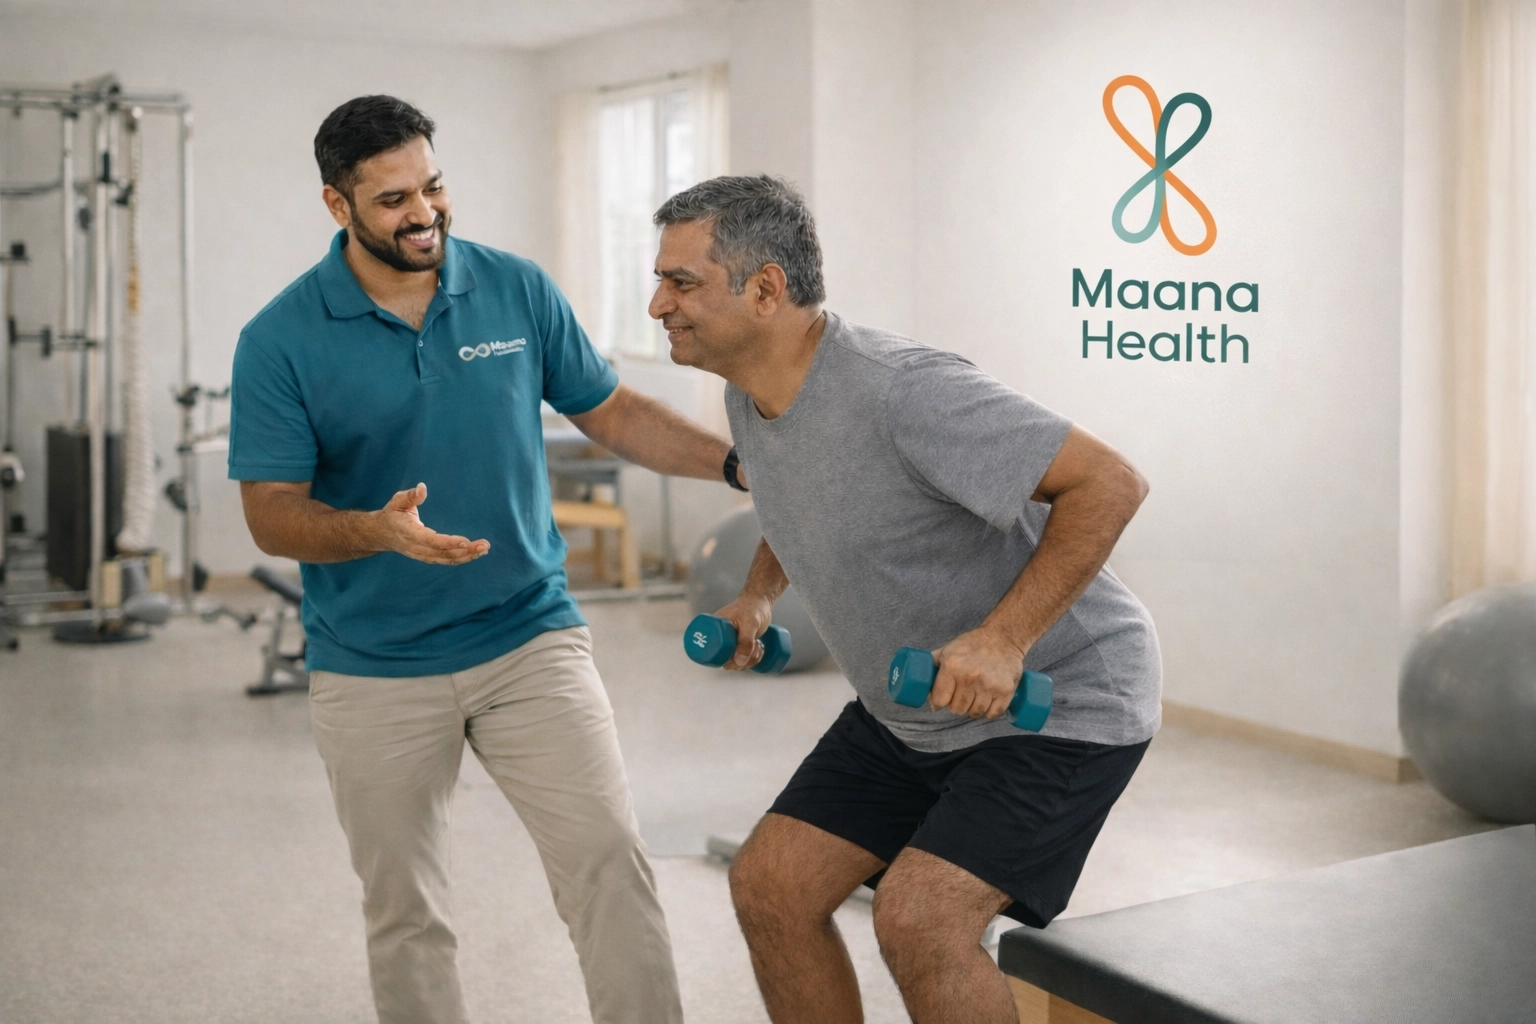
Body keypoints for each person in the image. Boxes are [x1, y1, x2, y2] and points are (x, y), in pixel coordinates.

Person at [229, 95, 739, 1024]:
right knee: (406, 915)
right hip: (373, 664)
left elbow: (612, 411)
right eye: (391, 201)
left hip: (528, 636)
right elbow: (271, 516)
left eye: (431, 185)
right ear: (337, 206)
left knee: (609, 867)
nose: (422, 212)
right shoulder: (279, 341)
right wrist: (373, 531)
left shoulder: (514, 288)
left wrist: (738, 464)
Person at [647, 175, 1161, 1024]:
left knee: (921, 919)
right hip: (911, 714)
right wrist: (756, 597)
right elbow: (797, 493)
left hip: (1064, 699)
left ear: (766, 289)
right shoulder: (751, 388)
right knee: (770, 886)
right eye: (662, 279)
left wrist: (1004, 640)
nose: (660, 303)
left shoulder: (904, 390)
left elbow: (1111, 482)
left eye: (683, 282)